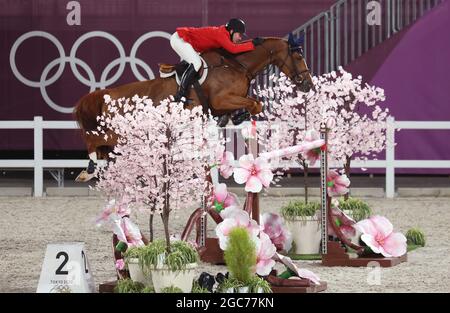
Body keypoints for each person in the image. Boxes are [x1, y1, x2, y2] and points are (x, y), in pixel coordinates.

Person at [170, 18, 264, 125]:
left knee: (197, 62)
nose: (240, 37)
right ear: (231, 31)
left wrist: (252, 43)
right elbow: (233, 49)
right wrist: (252, 44)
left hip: (188, 43)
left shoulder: (224, 34)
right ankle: (180, 95)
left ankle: (225, 114)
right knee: (196, 63)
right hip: (180, 39)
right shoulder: (221, 34)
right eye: (239, 34)